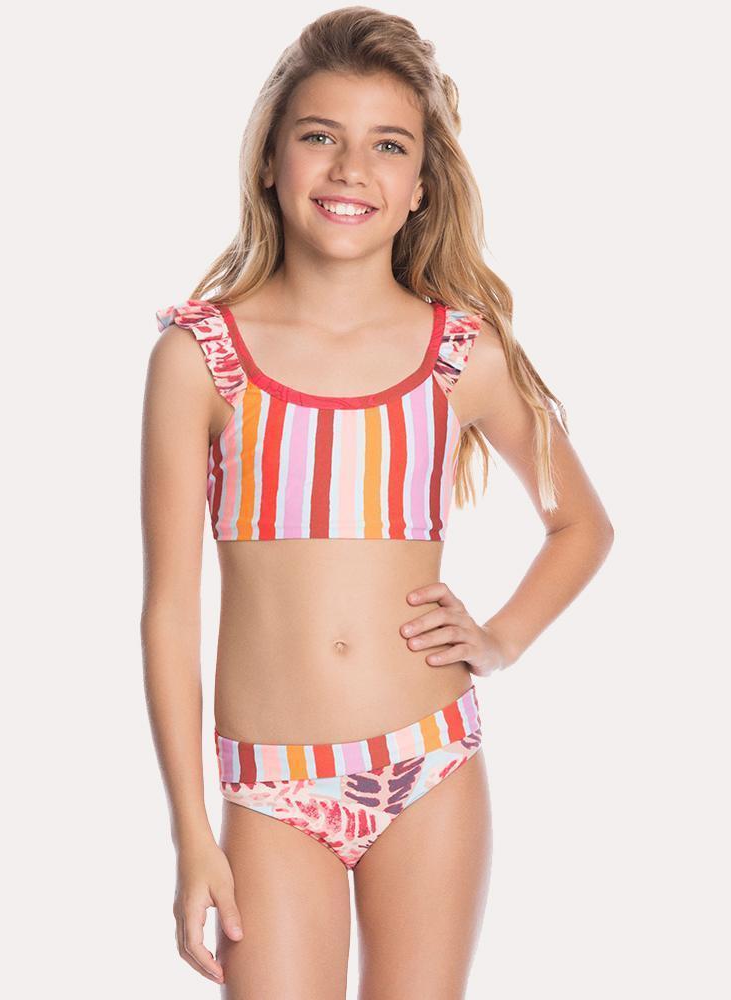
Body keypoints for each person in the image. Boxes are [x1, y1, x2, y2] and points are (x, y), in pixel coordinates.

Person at [140, 7, 614, 997]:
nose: (351, 168)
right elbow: (171, 612)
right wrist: (191, 833)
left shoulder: (460, 356)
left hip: (429, 768)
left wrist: (499, 639)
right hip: (271, 790)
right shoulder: (202, 359)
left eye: (388, 145)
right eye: (321, 136)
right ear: (270, 161)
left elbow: (581, 524)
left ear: (421, 185)